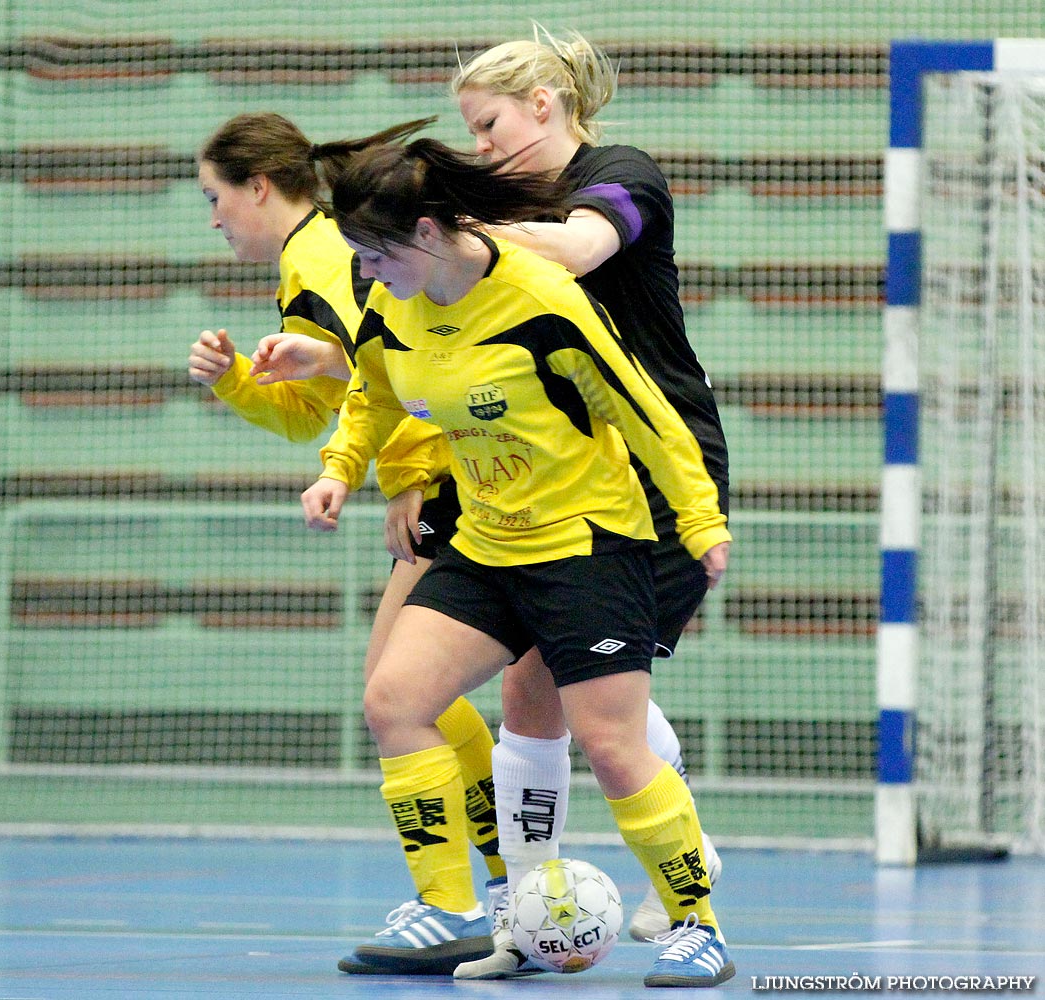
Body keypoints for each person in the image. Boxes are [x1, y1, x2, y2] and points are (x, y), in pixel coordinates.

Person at [300, 131, 736, 988]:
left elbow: (642, 407)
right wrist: (338, 469)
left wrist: (698, 519)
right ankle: (470, 911)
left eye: (373, 253)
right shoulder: (397, 299)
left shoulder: (539, 297)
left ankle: (698, 926)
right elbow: (374, 388)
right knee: (395, 700)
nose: (365, 272)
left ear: (426, 234)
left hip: (586, 545)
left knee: (612, 748)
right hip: (489, 542)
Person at [445, 28, 734, 978]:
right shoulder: (505, 199)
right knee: (533, 688)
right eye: (468, 135)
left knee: (591, 696)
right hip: (556, 476)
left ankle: (691, 898)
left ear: (544, 103)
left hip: (653, 464)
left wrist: (458, 229)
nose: (480, 148)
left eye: (488, 126)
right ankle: (529, 915)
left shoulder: (620, 174)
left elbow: (574, 249)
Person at [187, 112, 504, 972]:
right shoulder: (310, 265)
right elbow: (318, 409)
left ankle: (458, 902)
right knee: (413, 698)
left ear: (258, 186)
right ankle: (499, 884)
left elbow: (393, 361)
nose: (212, 217)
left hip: (447, 478)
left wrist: (406, 477)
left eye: (215, 197)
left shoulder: (327, 258)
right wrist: (240, 384)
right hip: (441, 476)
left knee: (398, 697)